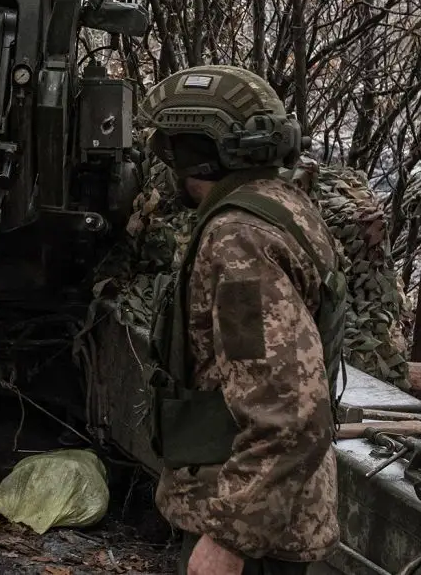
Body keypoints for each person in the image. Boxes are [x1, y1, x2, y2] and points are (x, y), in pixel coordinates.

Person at [140, 65, 347, 575]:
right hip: (263, 510)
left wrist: (228, 540)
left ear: (194, 154)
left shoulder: (239, 239)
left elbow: (290, 410)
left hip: (254, 533)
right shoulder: (281, 204)